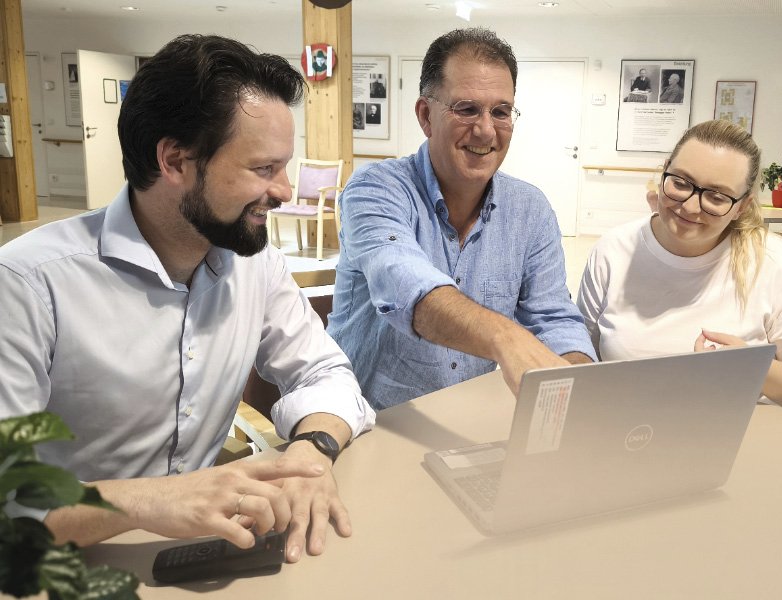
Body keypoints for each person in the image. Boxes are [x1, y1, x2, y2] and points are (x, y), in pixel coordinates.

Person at [0, 34, 375, 559]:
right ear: (175, 161)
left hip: (202, 551)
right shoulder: (29, 284)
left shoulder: (255, 264)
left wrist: (312, 455)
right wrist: (146, 502)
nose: (285, 191)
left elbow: (324, 373)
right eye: (263, 168)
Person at [327, 27, 595, 410]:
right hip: (371, 421)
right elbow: (406, 287)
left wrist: (575, 376)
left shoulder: (530, 209)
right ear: (426, 115)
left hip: (475, 423)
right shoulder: (376, 190)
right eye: (467, 109)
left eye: (500, 112)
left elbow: (553, 317)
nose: (486, 130)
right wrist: (506, 337)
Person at [577, 119, 782, 409]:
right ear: (664, 172)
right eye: (680, 183)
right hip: (630, 434)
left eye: (717, 197)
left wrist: (750, 367)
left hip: (738, 438)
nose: (690, 207)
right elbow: (580, 361)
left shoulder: (774, 262)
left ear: (742, 206)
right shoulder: (613, 251)